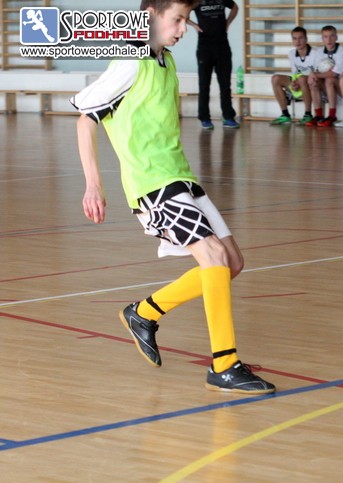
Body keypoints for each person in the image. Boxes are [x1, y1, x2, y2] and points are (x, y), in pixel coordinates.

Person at [70, 0, 276, 395]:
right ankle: (224, 365)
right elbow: (85, 119)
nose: (184, 28)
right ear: (150, 16)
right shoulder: (130, 62)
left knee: (232, 262)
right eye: (177, 20)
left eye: (186, 20)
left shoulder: (164, 62)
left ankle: (143, 313)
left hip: (180, 176)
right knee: (213, 257)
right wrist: (93, 184)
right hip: (152, 184)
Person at [187, 0, 239, 130]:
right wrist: (194, 25)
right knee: (204, 85)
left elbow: (235, 7)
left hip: (222, 46)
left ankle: (228, 117)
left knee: (225, 85)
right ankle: (205, 118)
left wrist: (227, 22)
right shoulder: (196, 1)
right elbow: (182, 14)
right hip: (205, 47)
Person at [269, 26, 321, 126]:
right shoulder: (292, 53)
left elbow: (317, 72)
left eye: (301, 38)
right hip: (299, 82)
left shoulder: (316, 52)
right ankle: (285, 114)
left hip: (313, 84)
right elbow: (294, 73)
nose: (298, 41)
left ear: (306, 39)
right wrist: (294, 82)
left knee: (302, 79)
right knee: (275, 78)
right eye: (295, 38)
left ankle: (308, 114)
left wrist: (299, 80)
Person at [305, 25, 343, 127]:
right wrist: (313, 74)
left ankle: (332, 115)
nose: (329, 40)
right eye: (325, 36)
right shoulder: (319, 51)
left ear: (336, 37)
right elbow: (316, 70)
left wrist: (315, 74)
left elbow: (335, 73)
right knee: (313, 81)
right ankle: (318, 115)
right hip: (326, 86)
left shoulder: (342, 50)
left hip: (341, 87)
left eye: (331, 36)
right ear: (322, 38)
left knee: (329, 79)